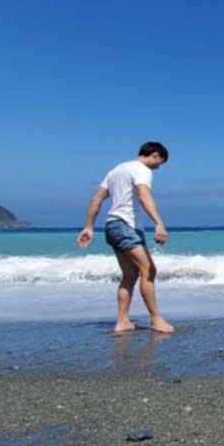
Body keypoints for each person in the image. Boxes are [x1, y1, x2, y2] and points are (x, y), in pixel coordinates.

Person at [76, 142, 175, 334]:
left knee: (130, 274)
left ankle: (123, 322)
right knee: (149, 271)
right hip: (125, 225)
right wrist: (159, 223)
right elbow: (143, 195)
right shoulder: (141, 169)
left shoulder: (116, 170)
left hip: (113, 226)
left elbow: (95, 199)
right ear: (155, 155)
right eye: (159, 163)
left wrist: (89, 226)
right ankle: (156, 320)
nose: (158, 167)